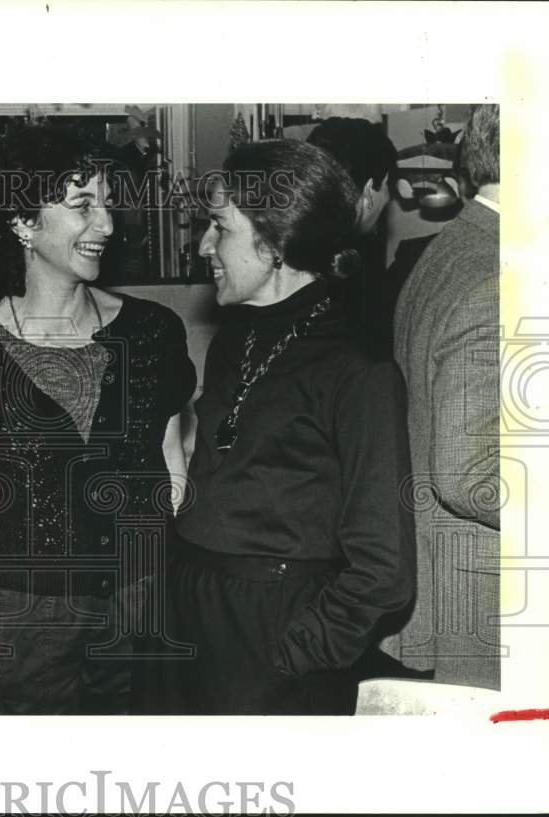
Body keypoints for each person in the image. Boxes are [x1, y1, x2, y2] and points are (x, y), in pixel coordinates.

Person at [0, 123, 196, 714]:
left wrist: (151, 573)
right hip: (21, 624)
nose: (106, 224)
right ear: (23, 223)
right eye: (81, 205)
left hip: (141, 613)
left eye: (107, 203)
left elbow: (172, 461)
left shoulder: (152, 334)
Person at [144, 140, 415, 715]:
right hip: (189, 616)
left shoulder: (358, 370)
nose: (204, 246)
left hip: (272, 635)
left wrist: (298, 651)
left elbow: (384, 567)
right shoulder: (232, 340)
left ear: (274, 240)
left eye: (220, 227)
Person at [380, 104, 501, 690]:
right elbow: (469, 473)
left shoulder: (457, 245)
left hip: (454, 582)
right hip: (490, 597)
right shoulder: (497, 271)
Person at [307, 117, 398, 359]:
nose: (389, 198)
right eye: (388, 186)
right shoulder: (359, 275)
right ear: (369, 190)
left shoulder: (291, 249)